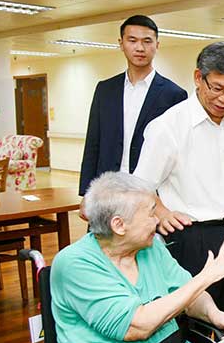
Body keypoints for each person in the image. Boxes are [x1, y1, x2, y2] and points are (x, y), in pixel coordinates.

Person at [51, 172, 224, 343]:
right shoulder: (75, 264)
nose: (157, 220)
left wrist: (215, 314)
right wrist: (205, 277)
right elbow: (136, 327)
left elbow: (189, 295)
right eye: (151, 213)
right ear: (119, 225)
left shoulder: (151, 247)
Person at [134, 42, 224, 326]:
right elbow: (140, 185)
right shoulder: (168, 125)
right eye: (217, 88)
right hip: (193, 237)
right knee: (191, 323)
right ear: (198, 77)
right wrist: (162, 212)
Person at [78, 15, 187, 214]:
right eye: (132, 40)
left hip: (151, 193)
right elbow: (93, 142)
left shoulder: (174, 94)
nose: (140, 48)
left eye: (147, 41)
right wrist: (87, 192)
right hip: (108, 190)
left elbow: (178, 153)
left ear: (157, 45)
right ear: (121, 44)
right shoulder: (105, 89)